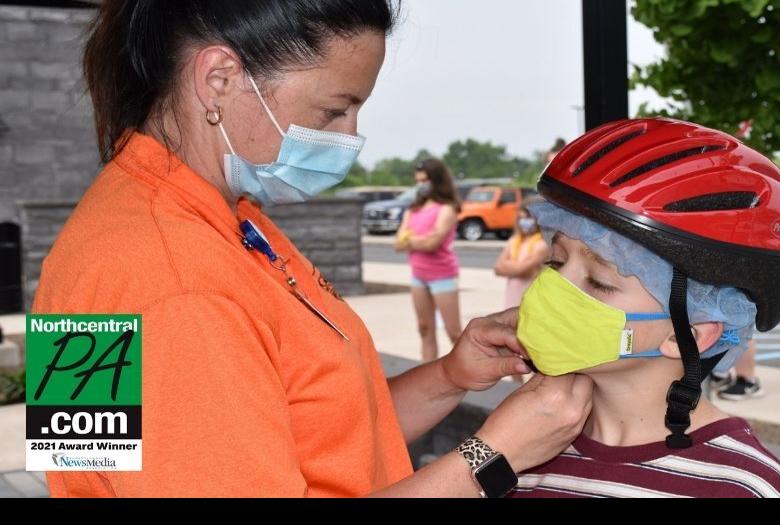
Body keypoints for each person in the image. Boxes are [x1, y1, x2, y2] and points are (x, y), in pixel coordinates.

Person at [34, 0, 592, 497]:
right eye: (333, 110)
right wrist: (492, 456)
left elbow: (320, 438)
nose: (350, 136)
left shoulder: (187, 220)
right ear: (220, 77)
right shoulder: (175, 284)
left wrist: (450, 375)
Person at [508, 118, 780, 498]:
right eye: (555, 263)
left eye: (599, 281)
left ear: (685, 334)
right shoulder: (523, 449)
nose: (555, 291)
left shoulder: (744, 487)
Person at [394, 158, 462, 362]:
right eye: (418, 180)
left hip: (442, 276)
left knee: (454, 333)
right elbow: (397, 244)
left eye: (425, 180)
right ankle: (427, 374)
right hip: (418, 276)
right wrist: (419, 240)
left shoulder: (447, 208)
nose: (420, 184)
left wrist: (410, 239)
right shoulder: (413, 210)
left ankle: (466, 372)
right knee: (424, 329)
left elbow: (432, 243)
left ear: (436, 180)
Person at [493, 201, 549, 310]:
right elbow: (497, 268)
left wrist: (509, 265)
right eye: (521, 218)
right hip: (511, 301)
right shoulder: (514, 241)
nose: (524, 222)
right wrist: (517, 268)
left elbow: (521, 270)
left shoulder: (541, 245)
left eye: (528, 218)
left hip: (530, 303)